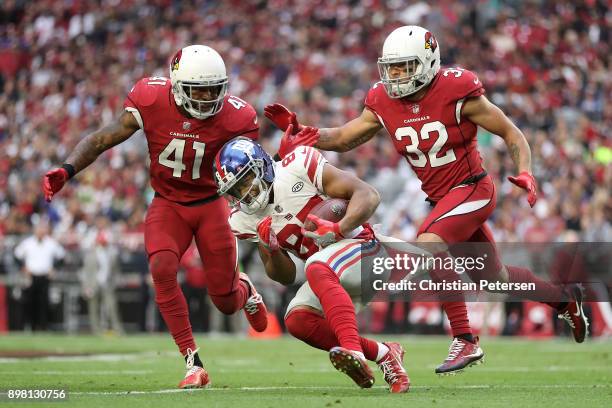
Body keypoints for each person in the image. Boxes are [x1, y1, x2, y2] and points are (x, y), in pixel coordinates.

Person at [264, 25, 589, 375]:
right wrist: (307, 135)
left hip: (473, 189)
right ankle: (565, 300)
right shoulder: (383, 100)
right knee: (494, 277)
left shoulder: (456, 89)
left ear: (428, 62)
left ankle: (465, 338)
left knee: (429, 243)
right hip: (443, 201)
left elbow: (511, 131)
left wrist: (526, 170)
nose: (396, 75)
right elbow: (344, 137)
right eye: (391, 68)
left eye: (404, 67)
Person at [42, 45, 274, 389]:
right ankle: (192, 363)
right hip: (168, 203)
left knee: (225, 302)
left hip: (212, 204)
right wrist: (68, 168)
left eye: (215, 87)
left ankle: (245, 291)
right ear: (178, 86)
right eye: (200, 90)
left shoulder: (238, 117)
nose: (210, 97)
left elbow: (252, 168)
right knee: (161, 268)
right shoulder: (150, 98)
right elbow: (104, 137)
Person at [214, 137, 411, 393]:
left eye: (246, 181)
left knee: (316, 265)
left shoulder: (298, 166)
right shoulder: (243, 219)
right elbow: (284, 276)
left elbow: (369, 195)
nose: (245, 194)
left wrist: (339, 228)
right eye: (236, 190)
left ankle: (354, 353)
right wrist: (272, 251)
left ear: (261, 166)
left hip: (366, 253)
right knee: (298, 319)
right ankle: (385, 353)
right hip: (330, 276)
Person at [14, 222, 65, 331]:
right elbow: (17, 256)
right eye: (39, 229)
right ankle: (31, 326)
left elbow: (62, 257)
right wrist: (23, 268)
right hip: (31, 276)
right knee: (30, 302)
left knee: (44, 302)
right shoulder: (28, 243)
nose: (41, 232)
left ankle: (43, 327)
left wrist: (54, 268)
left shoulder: (51, 243)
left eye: (43, 229)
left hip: (45, 276)